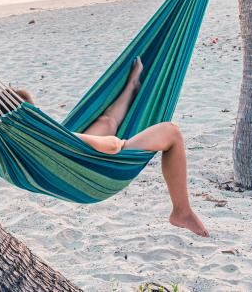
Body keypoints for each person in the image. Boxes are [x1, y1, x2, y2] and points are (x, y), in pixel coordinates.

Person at [14, 57, 209, 237]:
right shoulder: (53, 138)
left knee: (107, 122)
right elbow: (112, 147)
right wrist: (77, 138)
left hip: (73, 167)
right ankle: (181, 211)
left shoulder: (13, 148)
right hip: (97, 171)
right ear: (34, 117)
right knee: (172, 132)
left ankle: (131, 86)